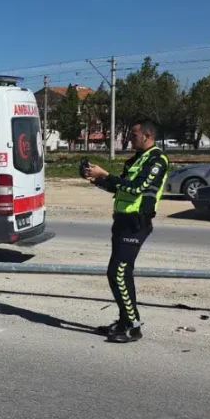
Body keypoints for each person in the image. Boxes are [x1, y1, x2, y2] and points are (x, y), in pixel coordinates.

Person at [82, 119, 169, 343]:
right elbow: (121, 187)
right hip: (122, 221)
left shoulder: (157, 160)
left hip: (136, 223)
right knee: (118, 273)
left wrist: (106, 175)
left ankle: (133, 325)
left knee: (118, 272)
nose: (130, 138)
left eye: (134, 135)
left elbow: (138, 188)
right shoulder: (136, 159)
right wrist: (96, 179)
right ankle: (124, 320)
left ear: (147, 136)